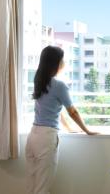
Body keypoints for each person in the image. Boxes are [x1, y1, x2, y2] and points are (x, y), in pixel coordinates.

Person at [25, 46, 98, 194]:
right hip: (46, 139)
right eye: (62, 58)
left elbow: (56, 110)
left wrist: (70, 128)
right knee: (42, 189)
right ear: (56, 62)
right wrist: (87, 130)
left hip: (33, 137)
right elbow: (73, 112)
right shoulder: (59, 85)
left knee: (33, 186)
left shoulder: (39, 81)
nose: (64, 61)